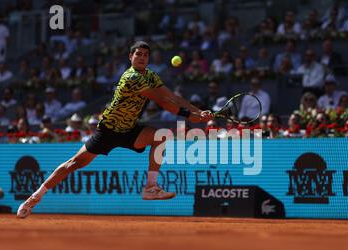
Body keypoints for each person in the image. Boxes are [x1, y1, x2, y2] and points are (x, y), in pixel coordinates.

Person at [17, 41, 212, 218]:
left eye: (145, 55)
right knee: (73, 164)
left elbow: (171, 96)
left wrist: (199, 112)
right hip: (108, 131)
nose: (142, 57)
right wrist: (190, 116)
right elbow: (161, 101)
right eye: (138, 54)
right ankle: (34, 198)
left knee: (162, 136)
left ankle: (151, 187)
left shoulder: (150, 75)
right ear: (130, 57)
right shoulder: (132, 77)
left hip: (129, 130)